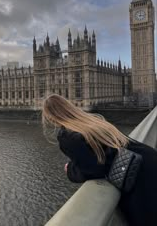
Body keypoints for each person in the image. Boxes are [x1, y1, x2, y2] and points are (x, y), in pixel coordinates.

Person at [42, 94, 157, 226]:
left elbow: (93, 168)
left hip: (139, 176)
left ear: (50, 116)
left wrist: (70, 170)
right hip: (148, 158)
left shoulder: (67, 136)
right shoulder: (92, 120)